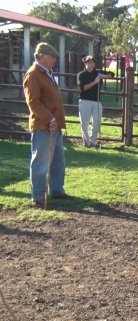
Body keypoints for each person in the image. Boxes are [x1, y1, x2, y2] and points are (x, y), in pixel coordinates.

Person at [23, 42, 70, 207]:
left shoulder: (48, 73)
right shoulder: (33, 74)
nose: (54, 60)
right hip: (43, 126)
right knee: (41, 161)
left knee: (58, 160)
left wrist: (55, 121)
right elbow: (33, 103)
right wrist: (50, 118)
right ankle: (38, 195)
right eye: (52, 57)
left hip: (54, 126)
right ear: (41, 56)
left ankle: (57, 190)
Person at [77, 55, 114, 148]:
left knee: (97, 122)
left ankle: (93, 140)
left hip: (96, 101)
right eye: (89, 62)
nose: (91, 64)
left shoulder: (97, 72)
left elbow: (112, 74)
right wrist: (95, 81)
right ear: (85, 64)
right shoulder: (81, 75)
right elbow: (83, 88)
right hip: (85, 101)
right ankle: (86, 141)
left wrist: (103, 76)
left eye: (92, 62)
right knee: (84, 123)